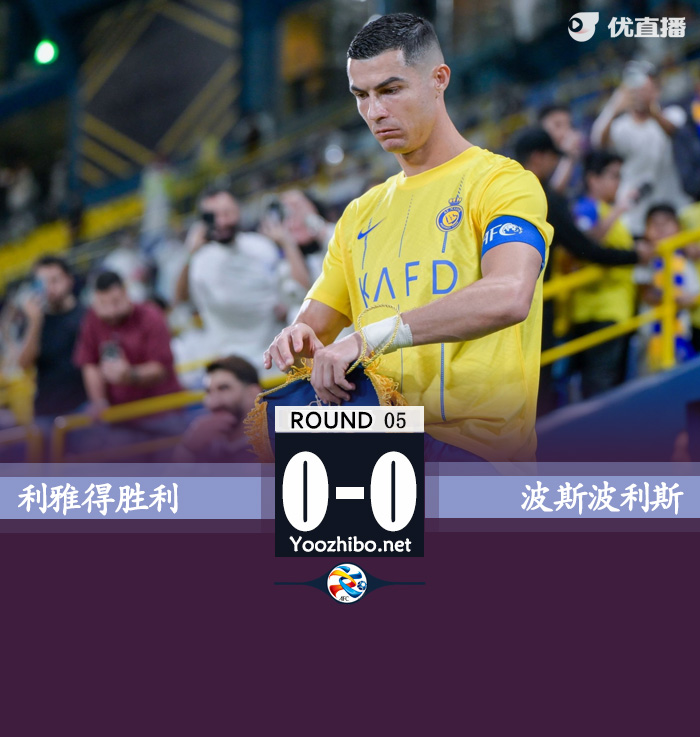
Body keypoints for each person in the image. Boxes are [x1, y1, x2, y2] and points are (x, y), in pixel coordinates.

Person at [265, 14, 554, 463]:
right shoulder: (359, 214)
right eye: (361, 96)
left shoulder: (501, 182)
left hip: (478, 458)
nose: (374, 112)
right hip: (386, 455)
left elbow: (510, 294)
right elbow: (314, 331)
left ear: (439, 79)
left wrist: (368, 338)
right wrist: (298, 339)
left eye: (390, 90)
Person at [174, 186, 305, 371]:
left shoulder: (261, 246)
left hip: (276, 356)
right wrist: (190, 253)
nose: (221, 221)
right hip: (232, 362)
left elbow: (296, 291)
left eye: (227, 213)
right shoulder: (199, 260)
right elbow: (179, 300)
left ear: (238, 211)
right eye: (212, 216)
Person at [591, 61, 691, 236]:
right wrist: (614, 107)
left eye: (646, 88)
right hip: (636, 211)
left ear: (657, 90)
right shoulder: (620, 126)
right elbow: (598, 142)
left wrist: (651, 107)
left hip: (674, 201)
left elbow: (673, 131)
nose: (640, 94)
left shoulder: (673, 113)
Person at [568, 151, 638, 398]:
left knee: (614, 383)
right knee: (600, 385)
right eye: (612, 176)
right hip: (597, 311)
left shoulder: (609, 211)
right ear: (592, 179)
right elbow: (587, 246)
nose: (617, 183)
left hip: (618, 309)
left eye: (619, 177)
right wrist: (618, 210)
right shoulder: (585, 208)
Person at [74, 270, 181, 418]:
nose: (111, 310)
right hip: (120, 414)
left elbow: (161, 368)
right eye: (103, 303)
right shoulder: (92, 320)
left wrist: (129, 375)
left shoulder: (150, 316)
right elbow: (89, 363)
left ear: (126, 294)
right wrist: (99, 402)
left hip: (160, 408)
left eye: (115, 302)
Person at [17, 256, 86, 419]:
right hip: (46, 411)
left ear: (69, 280)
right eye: (42, 283)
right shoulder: (33, 320)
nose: (49, 288)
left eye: (55, 280)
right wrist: (35, 322)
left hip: (84, 406)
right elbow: (24, 364)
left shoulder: (86, 316)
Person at [633, 204, 699, 373]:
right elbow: (645, 292)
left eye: (667, 223)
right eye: (654, 224)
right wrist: (673, 297)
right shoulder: (644, 260)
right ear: (645, 230)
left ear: (678, 228)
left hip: (681, 334)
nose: (661, 229)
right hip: (649, 336)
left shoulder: (684, 261)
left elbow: (693, 294)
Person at [173, 356, 261, 462]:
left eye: (223, 388)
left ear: (253, 393)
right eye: (208, 391)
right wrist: (188, 450)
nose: (213, 402)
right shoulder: (205, 446)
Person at [538, 103, 585, 196]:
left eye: (568, 125)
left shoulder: (580, 153)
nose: (565, 131)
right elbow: (552, 194)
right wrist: (568, 155)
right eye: (558, 125)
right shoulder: (537, 158)